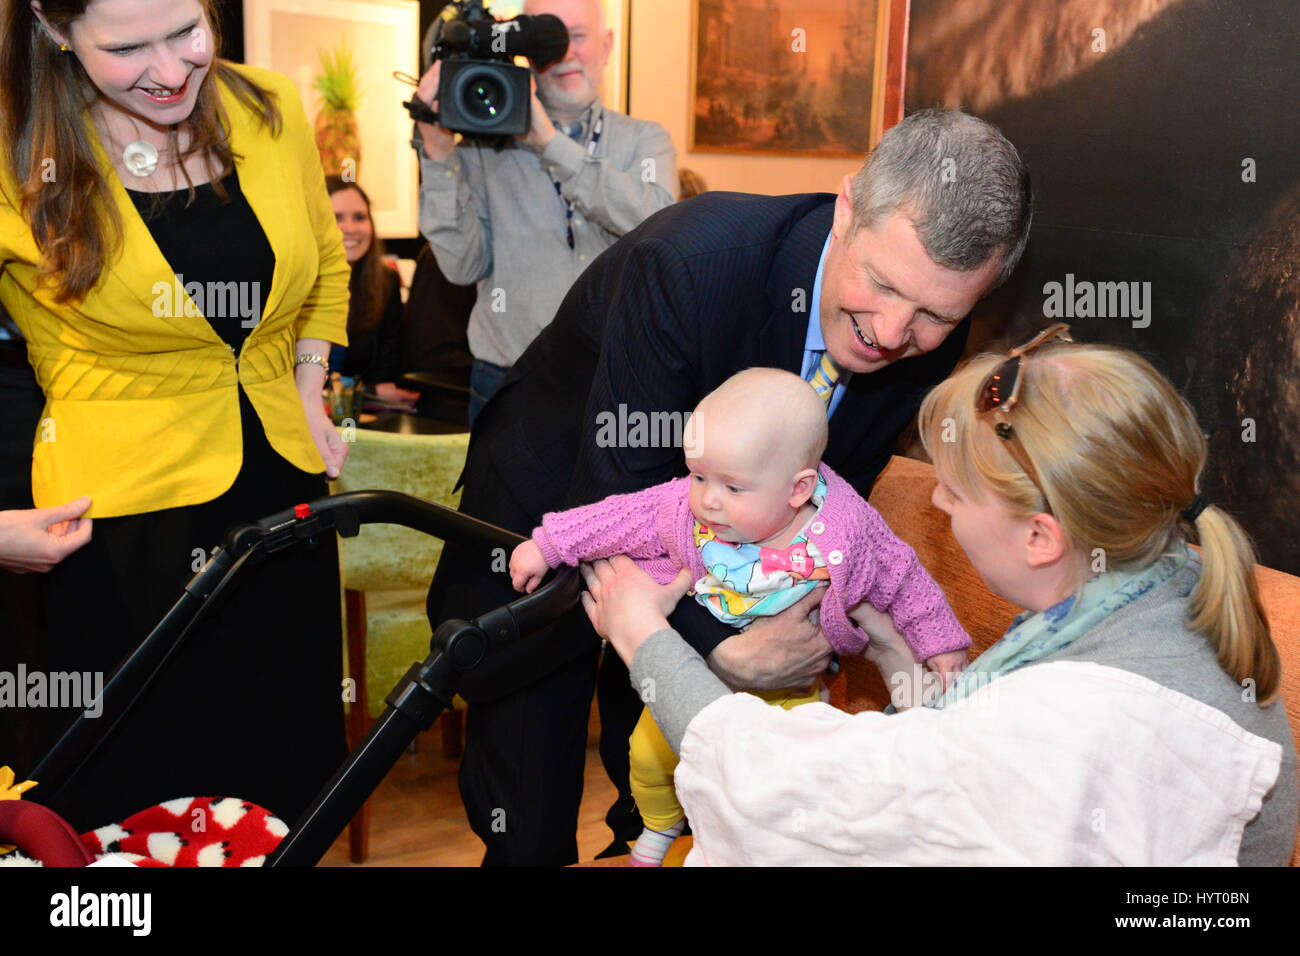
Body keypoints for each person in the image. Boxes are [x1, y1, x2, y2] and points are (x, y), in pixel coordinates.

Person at [426, 106, 1033, 864]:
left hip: (721, 554)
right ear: (847, 208)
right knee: (531, 808)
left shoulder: (926, 333)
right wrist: (719, 646)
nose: (890, 332)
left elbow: (832, 502)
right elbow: (622, 502)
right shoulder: (690, 265)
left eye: (935, 315)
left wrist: (836, 626)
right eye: (879, 283)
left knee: (671, 795)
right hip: (565, 505)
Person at [579, 329, 1299, 865]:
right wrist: (897, 649)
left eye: (953, 490)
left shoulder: (1085, 720)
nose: (940, 506)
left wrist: (643, 635)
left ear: (1042, 537)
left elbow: (783, 789)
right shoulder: (1166, 589)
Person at [0, 0, 349, 829]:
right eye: (126, 48)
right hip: (117, 531)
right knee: (135, 806)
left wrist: (306, 376)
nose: (168, 70)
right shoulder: (16, 149)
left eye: (186, 31)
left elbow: (325, 259)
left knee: (283, 796)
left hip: (282, 504)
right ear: (54, 29)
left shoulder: (265, 106)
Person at [509, 367, 970, 864]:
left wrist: (940, 641)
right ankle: (661, 826)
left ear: (798, 489)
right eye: (699, 476)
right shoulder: (683, 512)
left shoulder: (847, 529)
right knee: (644, 757)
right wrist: (550, 544)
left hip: (793, 693)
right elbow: (618, 517)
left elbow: (902, 576)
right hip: (698, 680)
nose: (707, 499)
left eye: (732, 487)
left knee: (780, 788)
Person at [411, 0, 678, 424]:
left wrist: (549, 143)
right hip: (507, 380)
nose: (565, 54)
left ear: (607, 45)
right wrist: (438, 151)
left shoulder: (645, 141)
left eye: (577, 36)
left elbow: (661, 233)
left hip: (615, 382)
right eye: (548, 39)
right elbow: (463, 267)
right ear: (526, 52)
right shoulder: (484, 149)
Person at [325, 176, 420, 405]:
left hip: (358, 417)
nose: (350, 229)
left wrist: (371, 391)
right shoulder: (295, 284)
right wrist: (371, 391)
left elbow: (386, 372)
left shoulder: (385, 282)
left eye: (359, 217)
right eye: (336, 218)